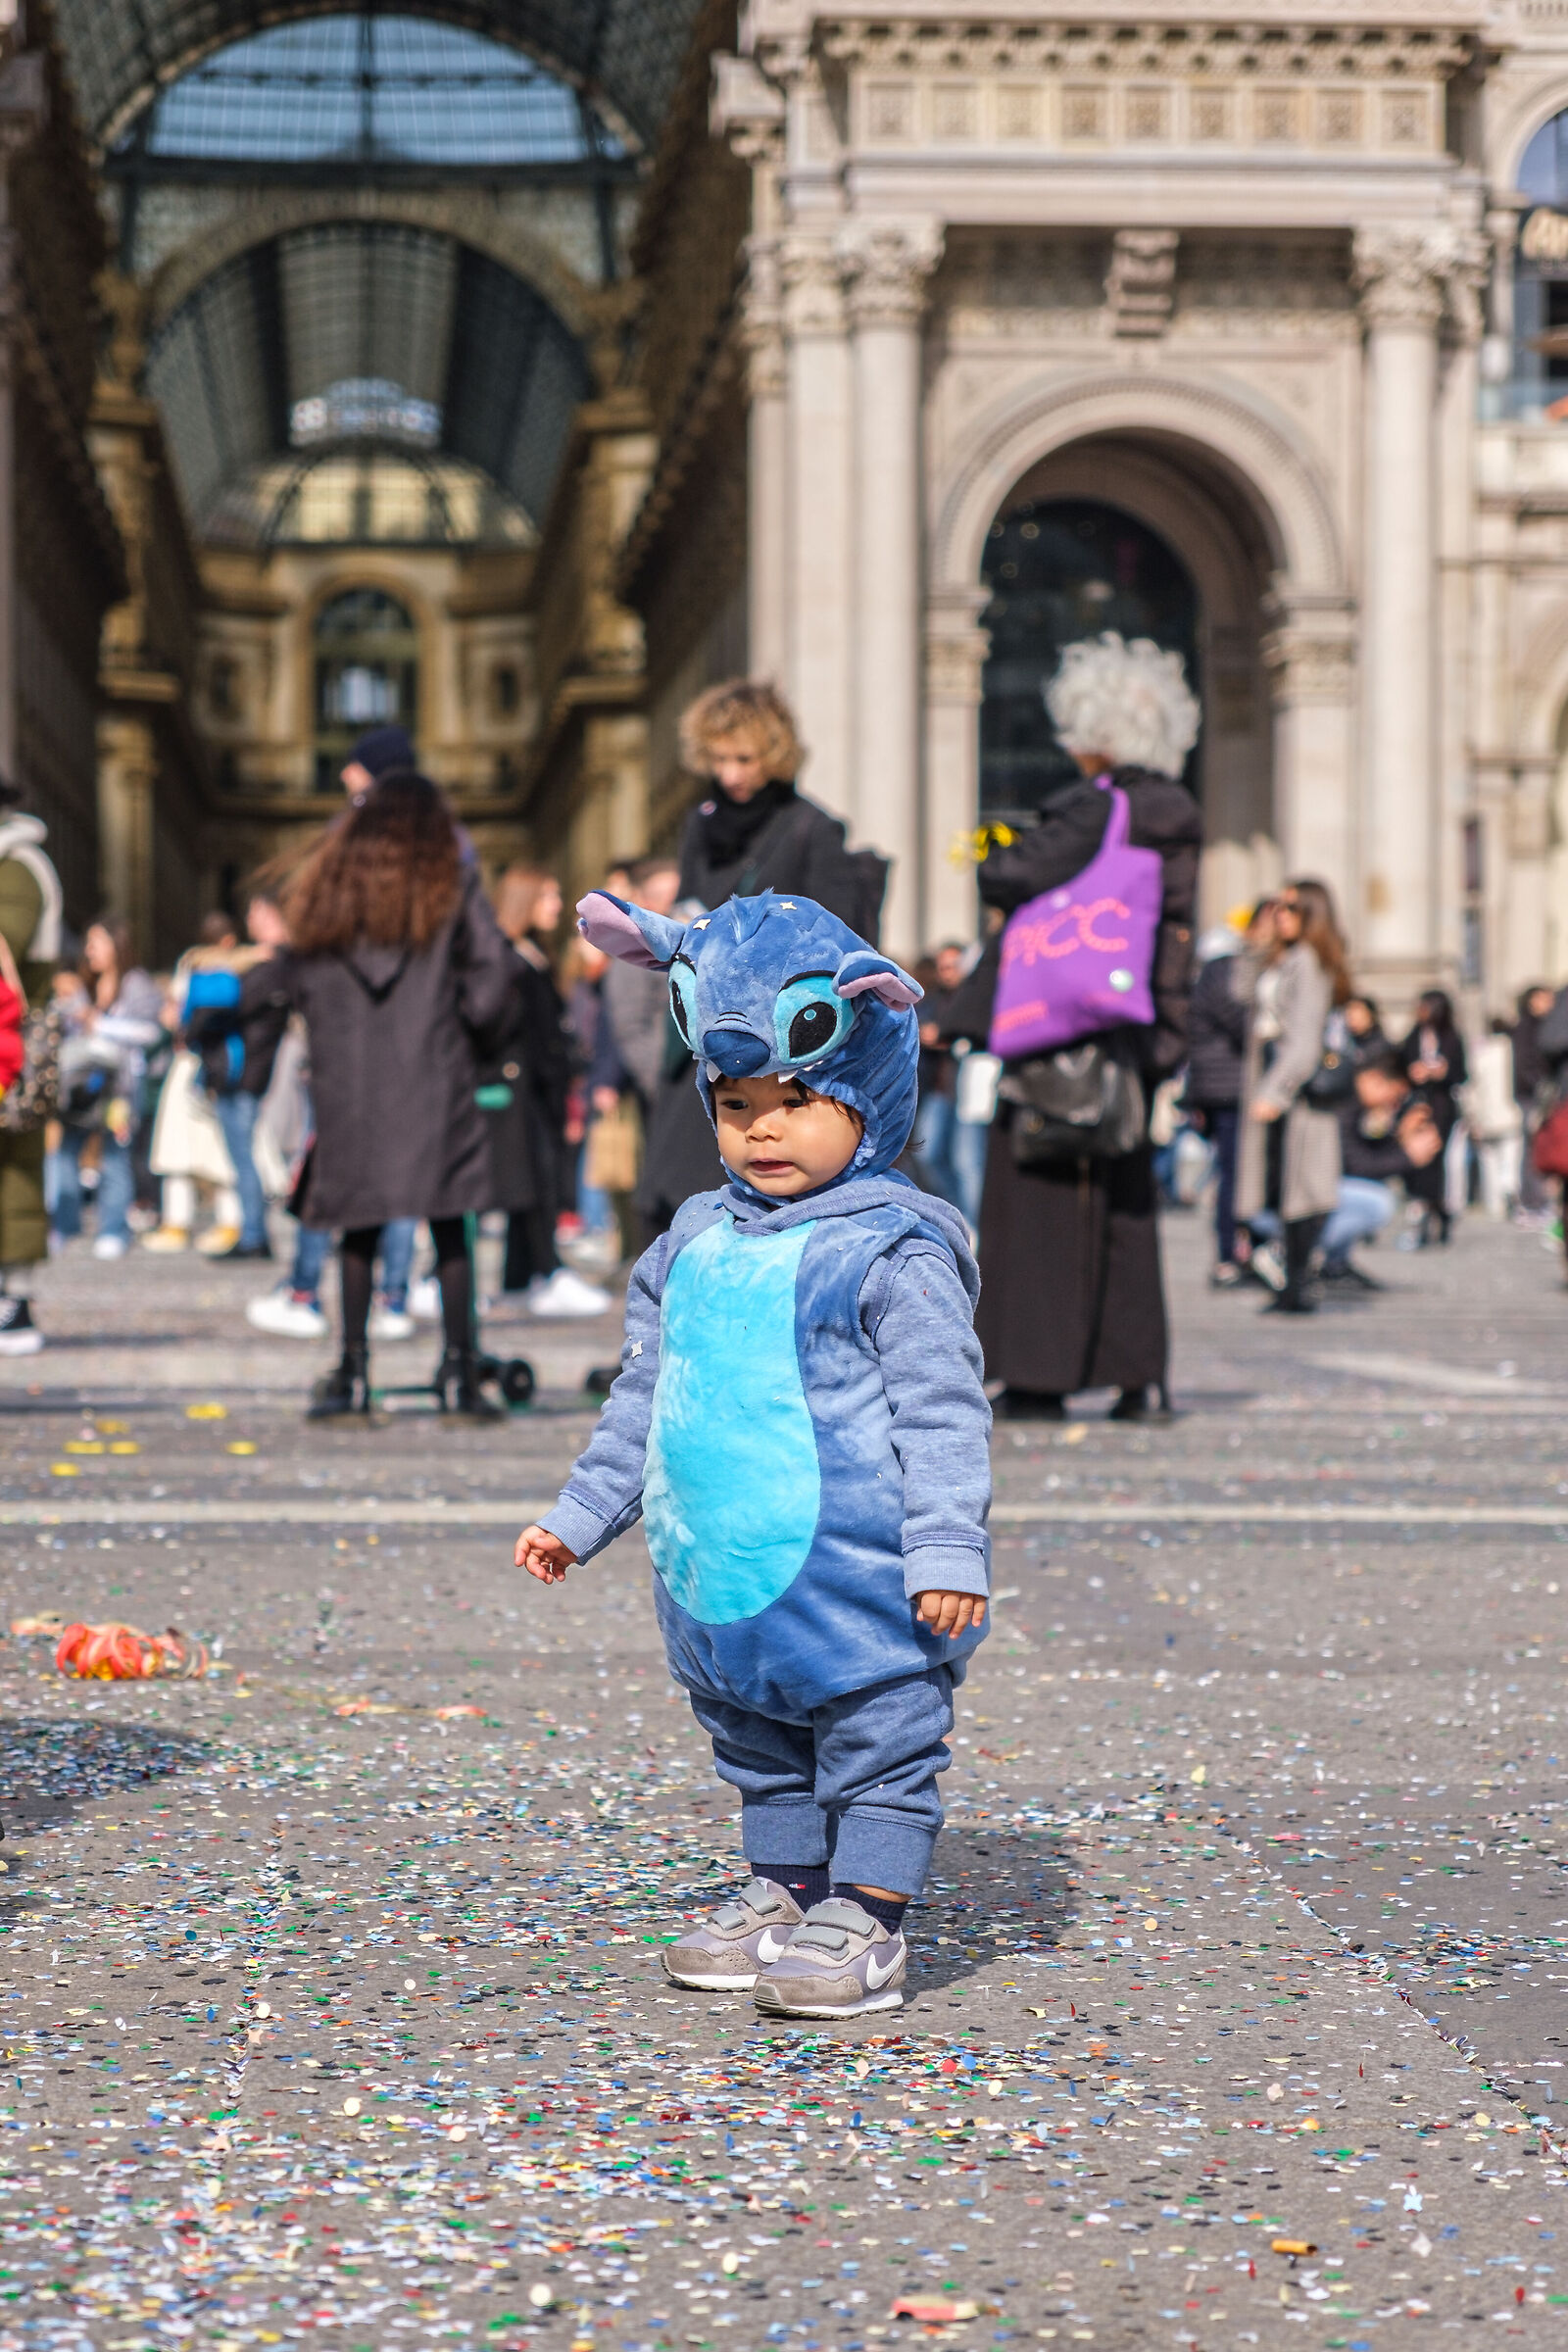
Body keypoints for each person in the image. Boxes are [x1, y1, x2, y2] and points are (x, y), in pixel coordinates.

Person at [514, 885, 991, 2019]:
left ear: (865, 1092)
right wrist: (581, 1517)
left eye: (797, 1100)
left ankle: (868, 1919)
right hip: (722, 1586)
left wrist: (944, 1546)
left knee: (877, 1734)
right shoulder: (692, 1239)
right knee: (762, 1746)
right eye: (736, 1104)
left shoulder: (888, 1249)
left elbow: (941, 1409)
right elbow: (647, 1396)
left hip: (856, 1582)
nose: (763, 1129)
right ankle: (785, 1888)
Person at [972, 632, 1202, 1418]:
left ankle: (1039, 1373)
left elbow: (1007, 873)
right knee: (1124, 1208)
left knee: (1040, 1198)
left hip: (1063, 1031)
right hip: (1135, 1029)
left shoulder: (1098, 809)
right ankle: (1136, 1374)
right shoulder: (1176, 813)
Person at [241, 771, 517, 1417]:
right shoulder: (449, 887)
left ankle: (354, 1371)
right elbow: (492, 976)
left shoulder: (326, 892)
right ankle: (458, 1371)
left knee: (357, 1227)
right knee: (450, 1222)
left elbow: (296, 973)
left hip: (350, 1078)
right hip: (435, 1070)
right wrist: (474, 1038)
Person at [638, 680, 882, 1238]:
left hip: (778, 1037)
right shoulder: (700, 823)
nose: (731, 774)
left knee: (763, 1173)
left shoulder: (811, 828)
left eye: (744, 758)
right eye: (719, 759)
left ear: (773, 754)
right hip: (707, 1025)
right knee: (674, 1182)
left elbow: (836, 937)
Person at [488, 865, 610, 1319]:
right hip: (524, 1092)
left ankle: (519, 1277)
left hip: (543, 1090)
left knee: (532, 1182)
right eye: (549, 897)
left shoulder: (531, 955)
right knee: (536, 1181)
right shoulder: (510, 959)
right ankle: (547, 1271)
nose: (557, 907)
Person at [1236, 877, 1350, 1315]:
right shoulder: (1281, 960)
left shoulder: (1310, 962)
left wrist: (1276, 1092)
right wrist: (1254, 945)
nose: (1278, 914)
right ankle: (1289, 1280)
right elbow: (1239, 993)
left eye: (1288, 908)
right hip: (1268, 1072)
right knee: (1279, 1185)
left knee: (1300, 1186)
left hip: (1296, 1089)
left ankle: (1298, 1281)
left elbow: (1304, 1038)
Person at [49, 919, 165, 1261]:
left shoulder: (137, 984)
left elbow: (150, 1032)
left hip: (120, 1086)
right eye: (88, 943)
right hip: (81, 1085)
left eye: (97, 942)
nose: (90, 950)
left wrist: (98, 1024)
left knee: (115, 1154)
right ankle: (65, 1224)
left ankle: (113, 1228)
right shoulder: (83, 986)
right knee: (66, 1151)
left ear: (118, 945)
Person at [0, 779, 62, 1351]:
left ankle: (13, 1301)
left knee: (14, 1162)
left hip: (11, 1036)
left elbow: (5, 944)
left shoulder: (15, 865)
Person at [1319, 1050, 1444, 1288]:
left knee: (1374, 1194)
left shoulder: (1351, 1097)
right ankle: (1311, 1253)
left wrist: (1400, 1137)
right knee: (1379, 1202)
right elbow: (1355, 1164)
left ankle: (1335, 1261)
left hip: (1316, 1190)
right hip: (1298, 1199)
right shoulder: (1342, 1097)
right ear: (1376, 1079)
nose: (1392, 1104)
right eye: (1394, 1096)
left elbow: (1362, 1156)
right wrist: (1407, 1155)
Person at [1184, 917, 1254, 1287]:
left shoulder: (1203, 976)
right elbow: (1243, 1024)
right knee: (1235, 1175)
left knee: (1229, 1172)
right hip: (1231, 1088)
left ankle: (1235, 1251)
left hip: (1215, 1087)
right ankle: (1231, 1254)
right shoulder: (1222, 973)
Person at [911, 941, 988, 1233]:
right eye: (942, 966)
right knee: (928, 1155)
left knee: (967, 1163)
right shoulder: (933, 1002)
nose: (947, 973)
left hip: (970, 1093)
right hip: (940, 1091)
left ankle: (974, 1224)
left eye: (952, 966)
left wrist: (946, 1036)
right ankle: (956, 1214)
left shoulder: (973, 1001)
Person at [1395, 988, 1467, 1247]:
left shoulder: (1451, 1038)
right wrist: (1413, 1072)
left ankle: (1437, 1211)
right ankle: (1427, 1210)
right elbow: (1399, 1065)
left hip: (1442, 1106)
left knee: (1435, 1161)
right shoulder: (1413, 1036)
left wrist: (1441, 1073)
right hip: (1417, 1105)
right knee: (1418, 1162)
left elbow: (1461, 1073)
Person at [1510, 983, 1558, 1223]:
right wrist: (1541, 1087)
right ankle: (1530, 1202)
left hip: (1542, 1095)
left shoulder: (1545, 1026)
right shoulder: (1527, 1028)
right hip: (1533, 1096)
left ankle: (1538, 1201)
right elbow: (1525, 1065)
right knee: (1532, 1149)